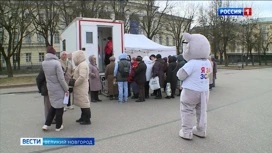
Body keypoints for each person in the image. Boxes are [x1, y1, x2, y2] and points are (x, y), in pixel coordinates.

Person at [176, 33, 212, 140]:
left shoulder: (192, 63)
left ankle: (186, 131)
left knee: (187, 110)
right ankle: (201, 130)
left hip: (191, 91)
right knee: (202, 111)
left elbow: (180, 75)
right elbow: (208, 77)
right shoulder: (208, 63)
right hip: (204, 91)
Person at [42, 46, 69, 132]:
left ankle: (46, 124)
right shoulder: (57, 63)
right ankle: (58, 126)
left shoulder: (43, 63)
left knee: (53, 106)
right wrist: (66, 88)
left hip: (50, 87)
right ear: (54, 53)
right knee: (60, 107)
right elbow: (61, 79)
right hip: (58, 88)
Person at [72, 50, 91, 125]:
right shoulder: (81, 64)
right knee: (82, 103)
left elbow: (82, 77)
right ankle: (83, 117)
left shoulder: (82, 65)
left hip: (81, 87)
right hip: (80, 87)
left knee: (84, 103)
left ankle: (87, 119)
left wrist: (75, 84)